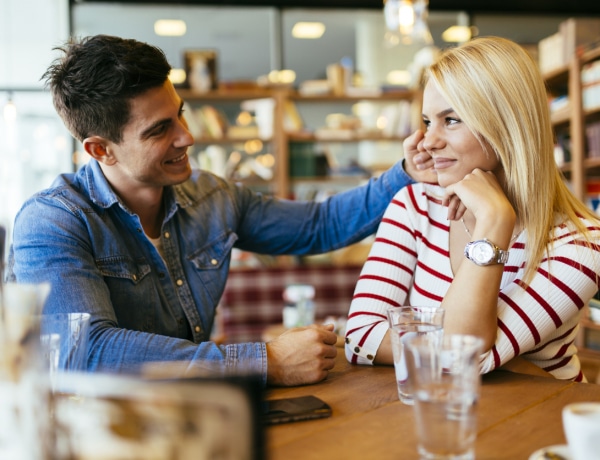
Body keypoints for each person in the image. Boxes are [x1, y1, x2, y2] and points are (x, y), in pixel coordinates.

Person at [7, 34, 434, 387]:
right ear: (101, 149)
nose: (187, 137)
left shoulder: (212, 197)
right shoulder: (52, 222)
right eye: (160, 130)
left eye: (180, 115)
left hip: (194, 420)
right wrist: (264, 361)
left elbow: (318, 226)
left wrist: (405, 172)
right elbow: (85, 353)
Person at [345, 36, 600, 382]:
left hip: (537, 427)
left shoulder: (580, 246)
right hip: (437, 417)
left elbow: (458, 356)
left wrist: (494, 220)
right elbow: (359, 338)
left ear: (507, 126)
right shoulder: (415, 205)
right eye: (427, 121)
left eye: (451, 120)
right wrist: (479, 355)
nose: (428, 141)